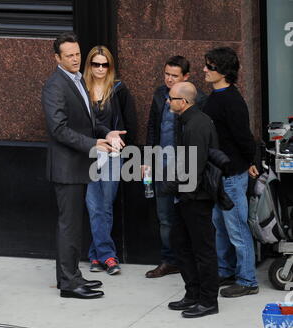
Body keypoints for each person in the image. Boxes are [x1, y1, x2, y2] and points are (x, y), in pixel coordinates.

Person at [42, 32, 125, 299]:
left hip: (78, 165)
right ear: (57, 58)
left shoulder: (77, 80)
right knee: (69, 226)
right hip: (67, 168)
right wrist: (93, 144)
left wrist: (106, 133)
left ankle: (72, 276)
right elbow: (59, 129)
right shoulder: (55, 85)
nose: (76, 59)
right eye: (69, 55)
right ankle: (68, 284)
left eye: (77, 53)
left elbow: (87, 121)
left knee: (74, 226)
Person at [202, 47, 259, 298]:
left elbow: (244, 137)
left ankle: (247, 280)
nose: (204, 69)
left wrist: (251, 160)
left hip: (232, 175)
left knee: (236, 228)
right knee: (221, 227)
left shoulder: (232, 101)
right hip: (218, 175)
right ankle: (226, 270)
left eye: (210, 66)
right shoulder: (215, 96)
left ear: (223, 71)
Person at [144, 55, 207, 278]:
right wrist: (147, 159)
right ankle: (169, 260)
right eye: (166, 74)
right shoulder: (160, 95)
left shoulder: (198, 99)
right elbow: (152, 127)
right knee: (164, 217)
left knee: (189, 217)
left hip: (185, 167)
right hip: (161, 165)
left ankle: (190, 261)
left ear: (186, 77)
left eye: (174, 75)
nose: (169, 79)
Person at [163, 82, 219, 318]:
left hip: (196, 197)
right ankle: (193, 294)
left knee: (203, 250)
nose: (168, 101)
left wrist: (168, 185)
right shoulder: (186, 121)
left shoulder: (196, 125)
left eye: (171, 98)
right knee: (181, 244)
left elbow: (194, 169)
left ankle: (208, 301)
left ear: (183, 102)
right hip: (186, 196)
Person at [83, 45, 137, 275]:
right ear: (89, 65)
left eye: (105, 64)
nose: (100, 68)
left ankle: (97, 255)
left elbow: (130, 123)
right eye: (96, 64)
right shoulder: (81, 89)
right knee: (93, 205)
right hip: (90, 153)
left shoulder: (118, 89)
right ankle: (107, 255)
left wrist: (129, 151)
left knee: (105, 205)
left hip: (113, 155)